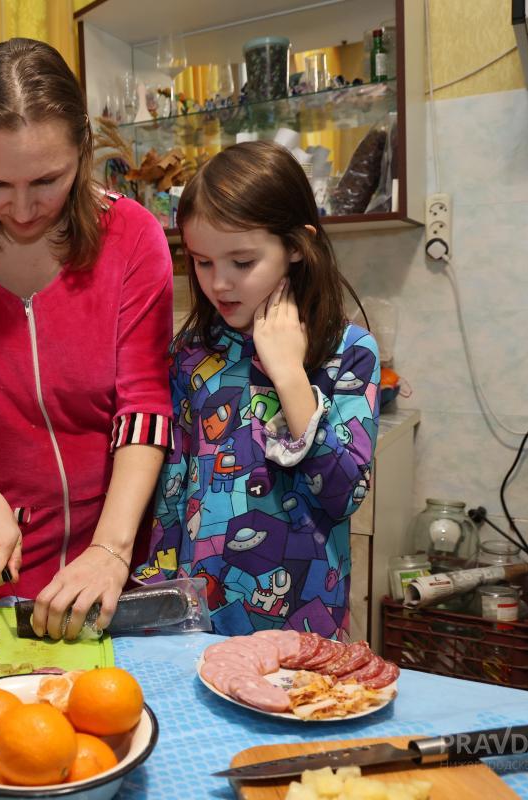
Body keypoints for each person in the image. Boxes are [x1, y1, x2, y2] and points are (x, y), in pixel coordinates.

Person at [0, 39, 174, 640]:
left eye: (47, 180)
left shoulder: (132, 237)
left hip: (120, 568)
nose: (21, 209)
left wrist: (112, 551)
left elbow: (144, 406)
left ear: (82, 151)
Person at [135, 141, 379, 639]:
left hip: (303, 624)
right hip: (197, 622)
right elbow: (171, 494)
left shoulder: (349, 352)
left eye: (242, 263)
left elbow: (343, 492)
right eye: (202, 263)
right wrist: (158, 596)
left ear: (295, 245)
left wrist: (289, 373)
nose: (219, 284)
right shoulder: (192, 355)